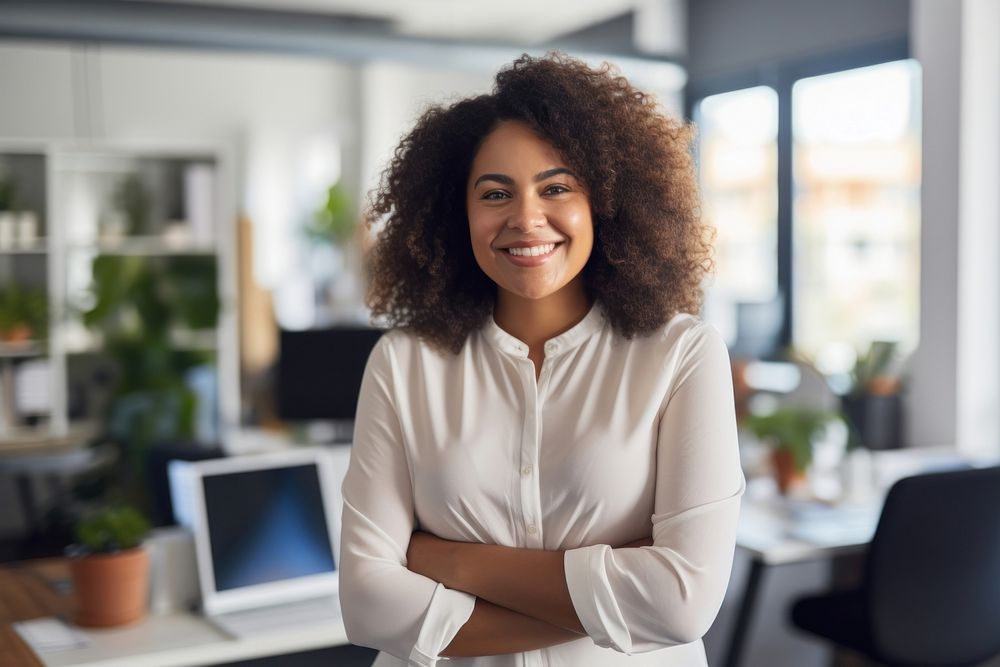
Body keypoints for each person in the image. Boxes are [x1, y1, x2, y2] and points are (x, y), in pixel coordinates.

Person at [339, 52, 746, 666]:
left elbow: (681, 606)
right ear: (459, 215)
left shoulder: (682, 354)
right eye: (495, 193)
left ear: (605, 201)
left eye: (556, 187)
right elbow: (368, 605)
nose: (527, 219)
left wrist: (451, 561)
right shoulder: (403, 364)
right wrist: (615, 597)